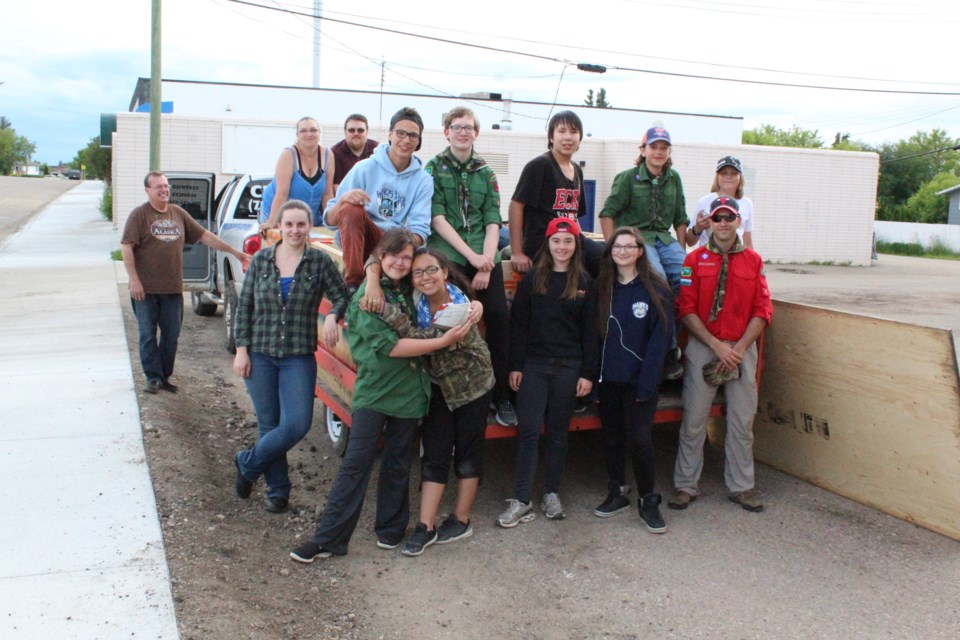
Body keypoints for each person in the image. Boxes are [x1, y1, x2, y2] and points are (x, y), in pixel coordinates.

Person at [290, 229, 471, 563]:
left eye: (407, 258)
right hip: (376, 392)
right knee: (356, 465)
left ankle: (390, 529)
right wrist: (440, 343)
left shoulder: (406, 288)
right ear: (382, 257)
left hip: (409, 393)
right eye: (394, 257)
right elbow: (391, 347)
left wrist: (472, 306)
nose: (401, 263)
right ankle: (328, 538)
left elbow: (438, 285)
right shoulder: (367, 299)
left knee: (399, 462)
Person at [362, 248, 493, 557]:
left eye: (431, 270)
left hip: (472, 386)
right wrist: (371, 279)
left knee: (468, 453)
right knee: (434, 452)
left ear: (445, 272)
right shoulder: (416, 296)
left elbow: (417, 336)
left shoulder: (458, 305)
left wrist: (383, 309)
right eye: (418, 273)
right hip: (438, 386)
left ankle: (461, 520)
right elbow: (377, 257)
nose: (425, 277)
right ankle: (425, 526)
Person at [232, 200, 350, 513]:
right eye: (289, 225)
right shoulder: (261, 260)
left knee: (296, 424)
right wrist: (241, 351)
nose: (295, 230)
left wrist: (333, 317)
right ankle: (278, 491)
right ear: (279, 227)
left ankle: (248, 463)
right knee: (269, 425)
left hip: (297, 355)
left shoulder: (318, 262)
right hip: (260, 353)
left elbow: (342, 296)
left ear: (308, 227)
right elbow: (244, 307)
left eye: (301, 225)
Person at [668, 196, 773, 513]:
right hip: (704, 347)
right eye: (718, 218)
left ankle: (741, 487)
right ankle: (686, 486)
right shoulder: (693, 261)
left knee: (742, 422)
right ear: (709, 223)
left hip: (742, 349)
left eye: (730, 218)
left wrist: (738, 349)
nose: (724, 223)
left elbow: (762, 309)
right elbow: (685, 308)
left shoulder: (754, 261)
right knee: (694, 420)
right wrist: (716, 346)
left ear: (739, 221)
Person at [497, 217, 599, 527]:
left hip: (568, 367)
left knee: (558, 432)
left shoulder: (584, 282)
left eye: (568, 241)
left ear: (576, 244)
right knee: (528, 431)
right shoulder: (533, 280)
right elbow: (520, 326)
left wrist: (587, 373)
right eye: (557, 241)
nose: (562, 247)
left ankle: (552, 492)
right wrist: (516, 365)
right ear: (548, 243)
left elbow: (591, 333)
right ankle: (522, 499)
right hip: (535, 366)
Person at [424, 106, 516, 427]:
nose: (463, 132)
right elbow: (437, 219)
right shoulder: (433, 168)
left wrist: (487, 263)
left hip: (483, 257)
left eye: (469, 128)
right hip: (449, 256)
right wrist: (472, 258)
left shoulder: (486, 173)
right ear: (446, 131)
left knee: (499, 319)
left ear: (476, 133)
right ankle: (445, 398)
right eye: (457, 127)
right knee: (451, 323)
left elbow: (493, 220)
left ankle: (500, 395)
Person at [121, 171, 251, 394]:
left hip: (172, 289)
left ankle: (164, 376)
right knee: (147, 335)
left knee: (171, 335)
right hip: (146, 290)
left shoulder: (177, 213)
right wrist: (134, 280)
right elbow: (126, 247)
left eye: (165, 186)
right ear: (147, 191)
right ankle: (152, 377)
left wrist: (236, 254)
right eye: (158, 187)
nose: (164, 190)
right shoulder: (139, 215)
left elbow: (206, 236)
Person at [593, 227, 672, 533]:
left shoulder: (656, 289)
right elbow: (594, 336)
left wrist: (648, 383)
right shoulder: (603, 288)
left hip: (639, 381)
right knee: (612, 437)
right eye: (617, 246)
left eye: (630, 246)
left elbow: (659, 341)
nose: (623, 251)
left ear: (640, 251)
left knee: (640, 439)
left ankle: (649, 500)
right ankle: (617, 492)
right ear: (610, 252)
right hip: (608, 380)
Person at [598, 125, 689, 379]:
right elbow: (607, 214)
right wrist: (613, 248)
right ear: (643, 150)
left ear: (669, 151)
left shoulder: (675, 179)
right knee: (659, 282)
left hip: (665, 240)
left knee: (690, 278)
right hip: (639, 239)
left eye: (663, 147)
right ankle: (669, 351)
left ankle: (671, 336)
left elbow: (681, 218)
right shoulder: (628, 178)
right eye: (653, 147)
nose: (658, 152)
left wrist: (681, 253)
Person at [323, 107, 433, 288]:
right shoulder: (364, 167)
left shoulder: (424, 180)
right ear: (390, 134)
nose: (406, 140)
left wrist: (397, 254)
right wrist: (343, 200)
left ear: (419, 141)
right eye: (400, 133)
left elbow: (419, 230)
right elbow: (329, 220)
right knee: (351, 208)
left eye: (413, 136)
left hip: (395, 245)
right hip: (360, 241)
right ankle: (354, 283)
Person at [508, 110, 603, 278]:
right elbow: (516, 205)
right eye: (562, 131)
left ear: (580, 137)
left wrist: (583, 239)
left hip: (571, 240)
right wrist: (517, 252)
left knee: (607, 258)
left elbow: (573, 215)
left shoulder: (577, 170)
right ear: (551, 136)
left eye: (573, 132)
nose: (568, 137)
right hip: (543, 243)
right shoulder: (539, 166)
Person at [259, 117, 334, 230]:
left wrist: (332, 224)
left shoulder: (328, 155)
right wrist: (271, 223)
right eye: (303, 131)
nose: (309, 134)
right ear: (297, 135)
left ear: (319, 133)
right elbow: (282, 193)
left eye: (313, 130)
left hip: (309, 217)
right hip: (277, 214)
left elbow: (327, 194)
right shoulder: (288, 154)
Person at [687, 155, 754, 249]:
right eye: (723, 173)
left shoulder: (747, 203)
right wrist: (698, 227)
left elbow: (747, 241)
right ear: (717, 176)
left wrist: (753, 261)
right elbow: (690, 242)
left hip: (736, 257)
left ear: (740, 177)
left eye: (734, 173)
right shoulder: (704, 202)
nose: (729, 176)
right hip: (708, 257)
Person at [330, 113, 378, 191]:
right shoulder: (334, 153)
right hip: (347, 199)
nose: (356, 133)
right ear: (345, 132)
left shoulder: (377, 150)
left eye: (360, 130)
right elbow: (336, 186)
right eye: (351, 130)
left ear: (367, 132)